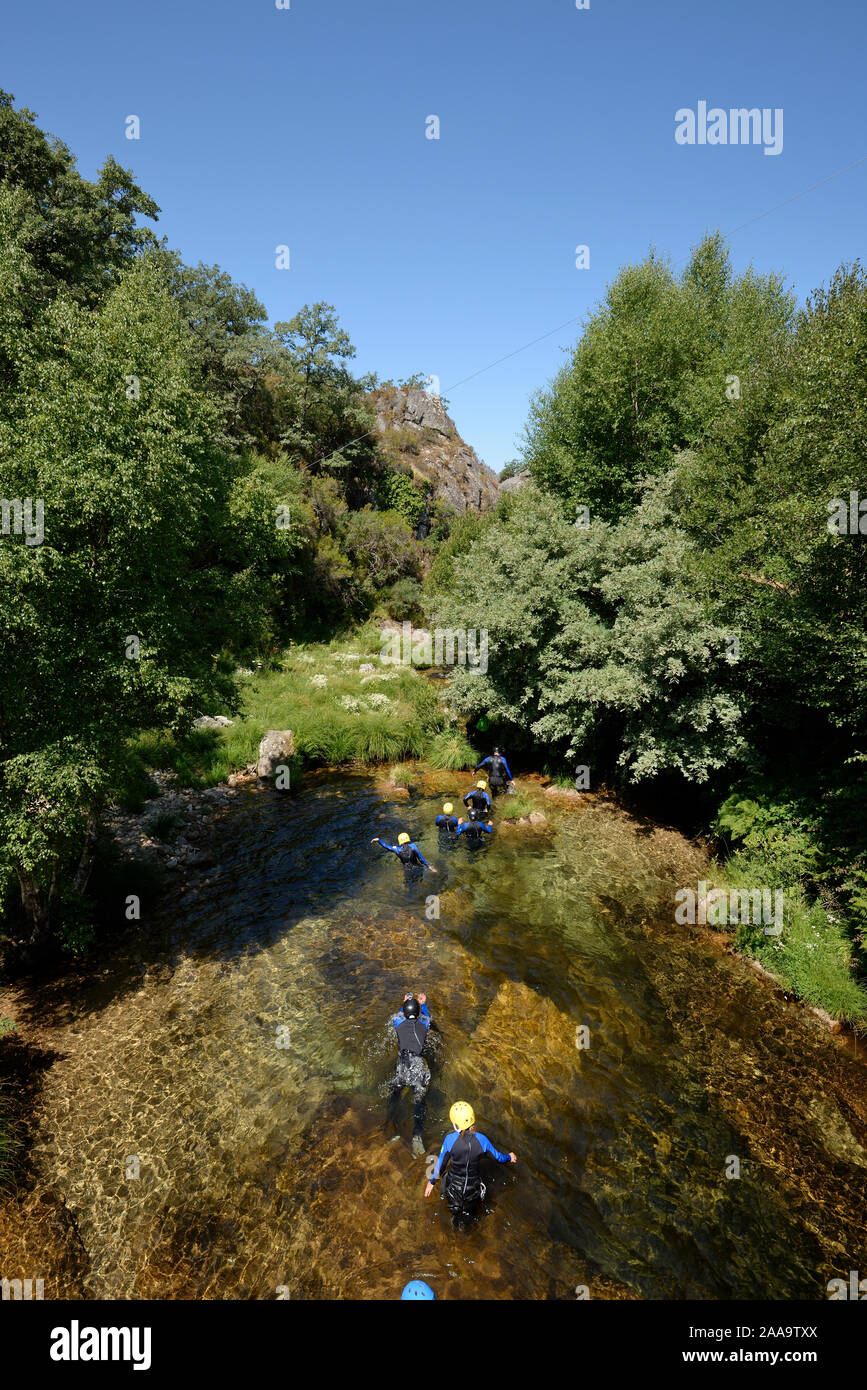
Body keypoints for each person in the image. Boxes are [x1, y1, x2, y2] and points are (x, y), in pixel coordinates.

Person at [424, 1101, 516, 1229]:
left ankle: (454, 1226)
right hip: (472, 1189)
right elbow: (498, 1158)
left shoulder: (450, 1140)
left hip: (453, 1187)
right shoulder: (482, 1140)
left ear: (456, 1125)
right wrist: (509, 1157)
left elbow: (441, 1164)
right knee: (469, 1218)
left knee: (454, 1214)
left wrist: (432, 1182)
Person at [387, 993, 432, 1158]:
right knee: (419, 1103)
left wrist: (404, 1002)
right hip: (418, 1069)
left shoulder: (398, 1024)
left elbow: (399, 1016)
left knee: (394, 1097)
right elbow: (427, 1017)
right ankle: (417, 1136)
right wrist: (423, 1004)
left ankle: (392, 1129)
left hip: (403, 1067)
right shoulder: (424, 1025)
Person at [371, 832, 437, 883]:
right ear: (408, 839)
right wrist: (429, 866)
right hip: (417, 868)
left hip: (407, 870)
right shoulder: (413, 846)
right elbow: (421, 858)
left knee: (410, 884)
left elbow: (386, 846)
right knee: (419, 880)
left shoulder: (397, 849)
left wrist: (378, 840)